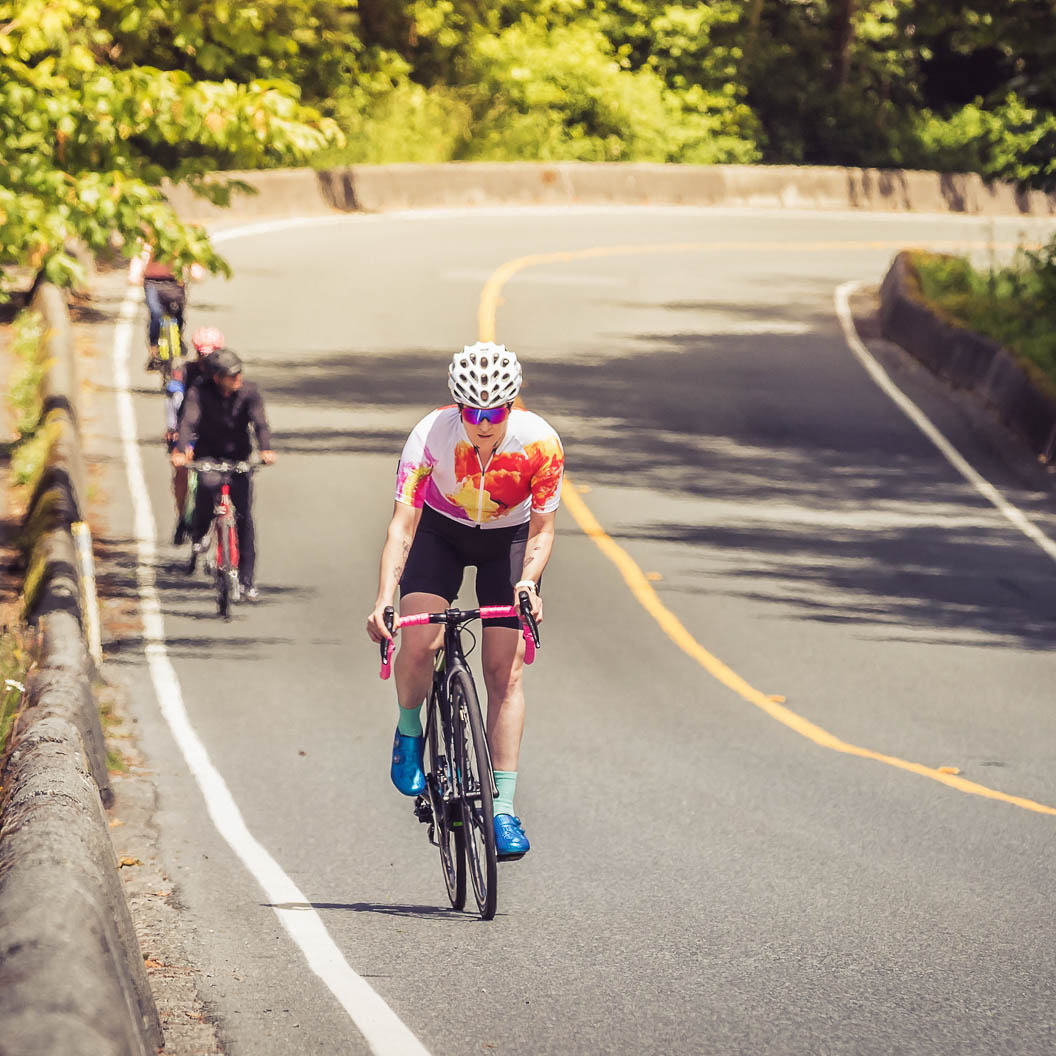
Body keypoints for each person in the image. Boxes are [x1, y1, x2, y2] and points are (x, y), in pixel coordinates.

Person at [365, 342, 564, 859]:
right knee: (418, 642)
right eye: (472, 411)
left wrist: (528, 583)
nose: (482, 422)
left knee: (505, 670)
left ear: (511, 405)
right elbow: (403, 524)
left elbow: (542, 530)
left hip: (510, 538)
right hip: (440, 532)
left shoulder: (541, 444)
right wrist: (385, 597)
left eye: (494, 411)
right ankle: (410, 731)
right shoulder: (429, 436)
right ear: (457, 407)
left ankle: (502, 809)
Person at [172, 349, 276, 600]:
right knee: (207, 488)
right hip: (209, 455)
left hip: (238, 457)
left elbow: (260, 423)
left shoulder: (249, 392)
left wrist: (265, 449)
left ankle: (247, 579)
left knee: (244, 517)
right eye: (232, 375)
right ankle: (199, 533)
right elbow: (188, 421)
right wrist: (180, 450)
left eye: (239, 373)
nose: (238, 378)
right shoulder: (200, 391)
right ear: (217, 377)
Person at [169, 326, 225, 544]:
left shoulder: (226, 373)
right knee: (182, 470)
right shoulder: (184, 371)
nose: (206, 359)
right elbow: (173, 403)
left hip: (215, 431)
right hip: (186, 430)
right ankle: (182, 516)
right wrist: (173, 432)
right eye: (203, 355)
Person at [130, 245, 187, 370]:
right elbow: (139, 255)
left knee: (178, 312)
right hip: (152, 282)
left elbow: (187, 255)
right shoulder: (148, 239)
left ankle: (178, 336)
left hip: (174, 281)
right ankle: (154, 349)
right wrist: (134, 274)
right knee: (156, 313)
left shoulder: (177, 237)